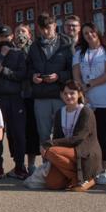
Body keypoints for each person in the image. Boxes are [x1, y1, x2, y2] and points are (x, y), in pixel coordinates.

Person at [72, 22, 106, 185]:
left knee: (103, 133)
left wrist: (89, 84)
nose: (89, 35)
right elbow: (76, 74)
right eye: (85, 34)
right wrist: (81, 90)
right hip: (87, 99)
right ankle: (93, 169)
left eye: (91, 32)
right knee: (89, 134)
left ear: (98, 33)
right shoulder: (79, 53)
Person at [27, 13, 74, 168]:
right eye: (42, 29)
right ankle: (47, 166)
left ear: (55, 25)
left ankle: (64, 165)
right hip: (41, 96)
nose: (46, 32)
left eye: (48, 28)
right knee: (44, 134)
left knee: (64, 133)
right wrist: (33, 76)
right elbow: (28, 69)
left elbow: (73, 71)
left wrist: (58, 76)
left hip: (61, 95)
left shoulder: (67, 45)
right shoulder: (34, 47)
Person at [41, 81, 101, 192]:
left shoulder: (86, 112)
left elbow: (78, 138)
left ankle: (85, 178)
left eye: (72, 93)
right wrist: (51, 143)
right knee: (52, 184)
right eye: (65, 93)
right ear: (61, 95)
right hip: (66, 151)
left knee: (51, 151)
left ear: (79, 94)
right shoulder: (60, 112)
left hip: (84, 151)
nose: (68, 96)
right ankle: (77, 178)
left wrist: (49, 144)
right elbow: (57, 136)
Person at [0, 25, 27, 180]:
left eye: (6, 37)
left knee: (18, 134)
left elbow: (22, 74)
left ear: (11, 37)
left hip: (15, 97)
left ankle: (20, 166)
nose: (3, 40)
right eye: (0, 37)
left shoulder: (19, 53)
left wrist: (4, 71)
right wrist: (1, 57)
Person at [15, 24, 40, 173]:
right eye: (17, 31)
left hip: (30, 94)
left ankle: (31, 163)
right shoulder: (11, 50)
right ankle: (19, 164)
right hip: (17, 95)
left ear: (29, 35)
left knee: (31, 130)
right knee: (18, 132)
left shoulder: (34, 49)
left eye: (23, 31)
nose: (20, 34)